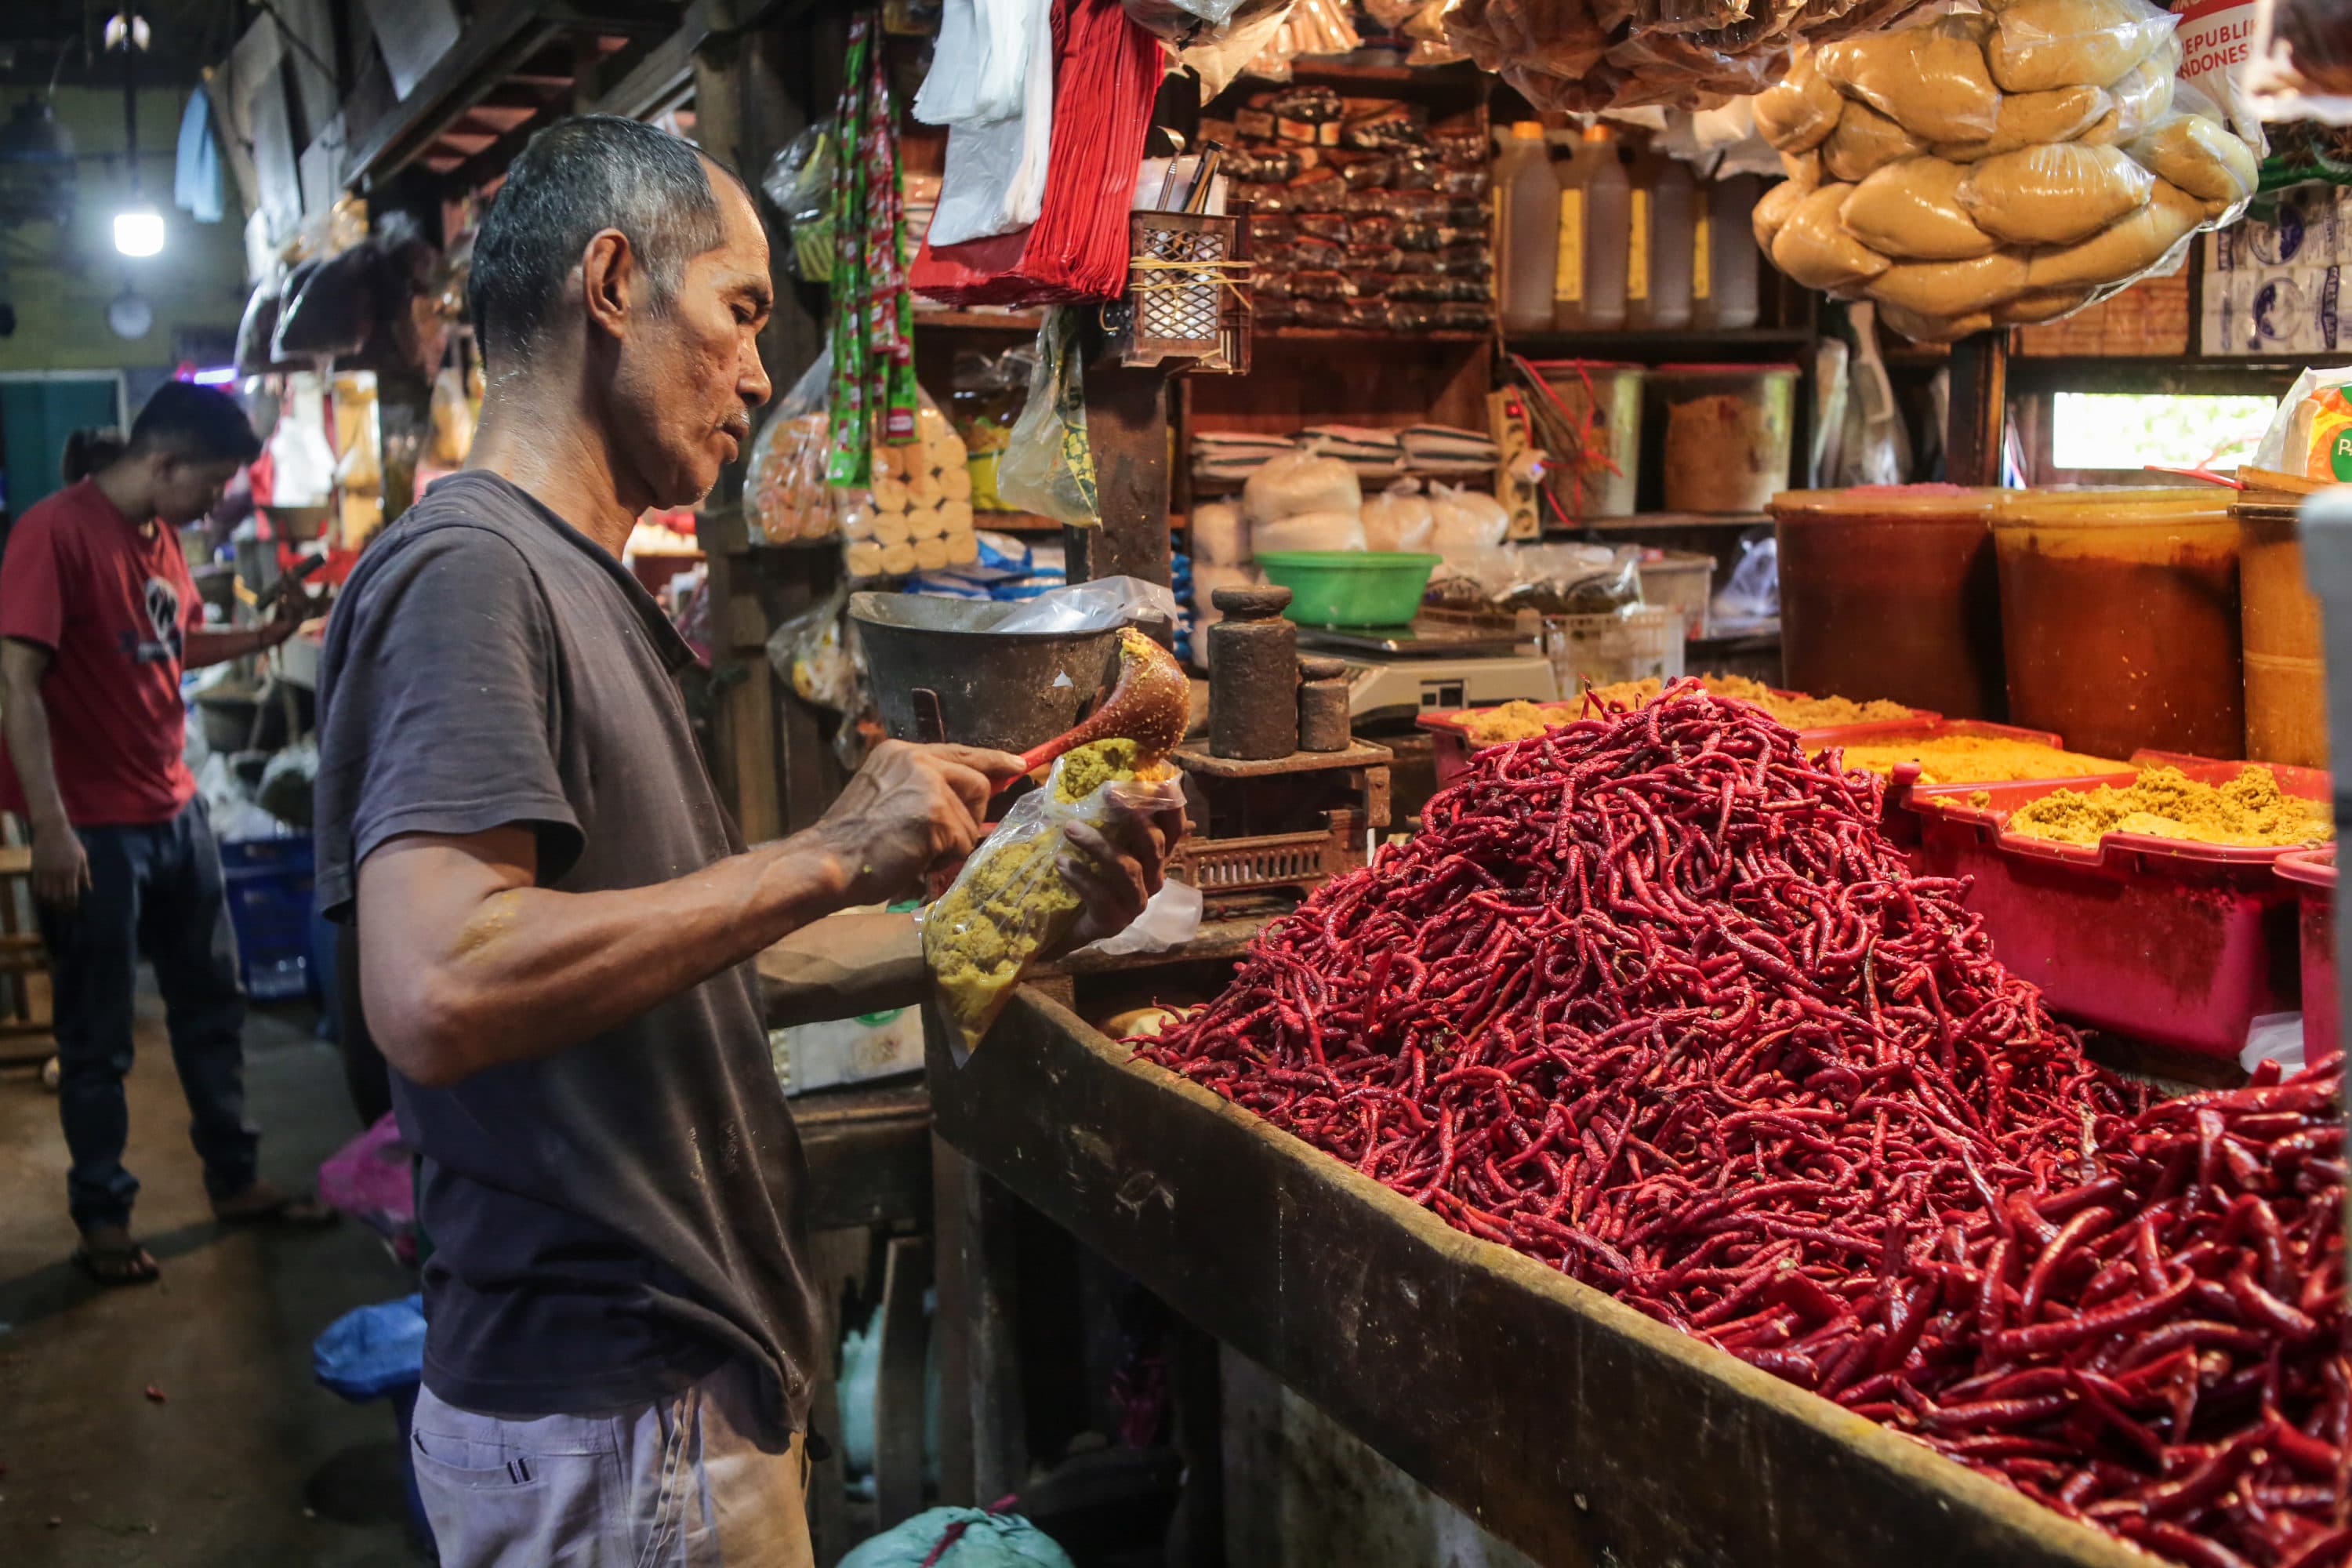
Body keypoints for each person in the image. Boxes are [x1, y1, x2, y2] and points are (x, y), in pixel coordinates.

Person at [312, 115, 1184, 1568]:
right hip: (615, 1420)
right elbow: (440, 986)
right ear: (610, 283)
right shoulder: (474, 574)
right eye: (738, 312)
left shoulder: (578, 586)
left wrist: (1011, 906)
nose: (762, 373)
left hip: (657, 1406)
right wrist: (826, 854)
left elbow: (694, 968)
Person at [0, 383, 325, 1287]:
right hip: (94, 828)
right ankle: (102, 1217)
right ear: (164, 462)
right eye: (214, 483)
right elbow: (14, 683)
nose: (218, 501)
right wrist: (52, 825)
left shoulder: (160, 540)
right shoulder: (54, 535)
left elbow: (170, 643)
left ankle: (236, 1178)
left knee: (211, 1008)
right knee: (97, 1034)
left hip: (174, 810)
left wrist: (264, 632)